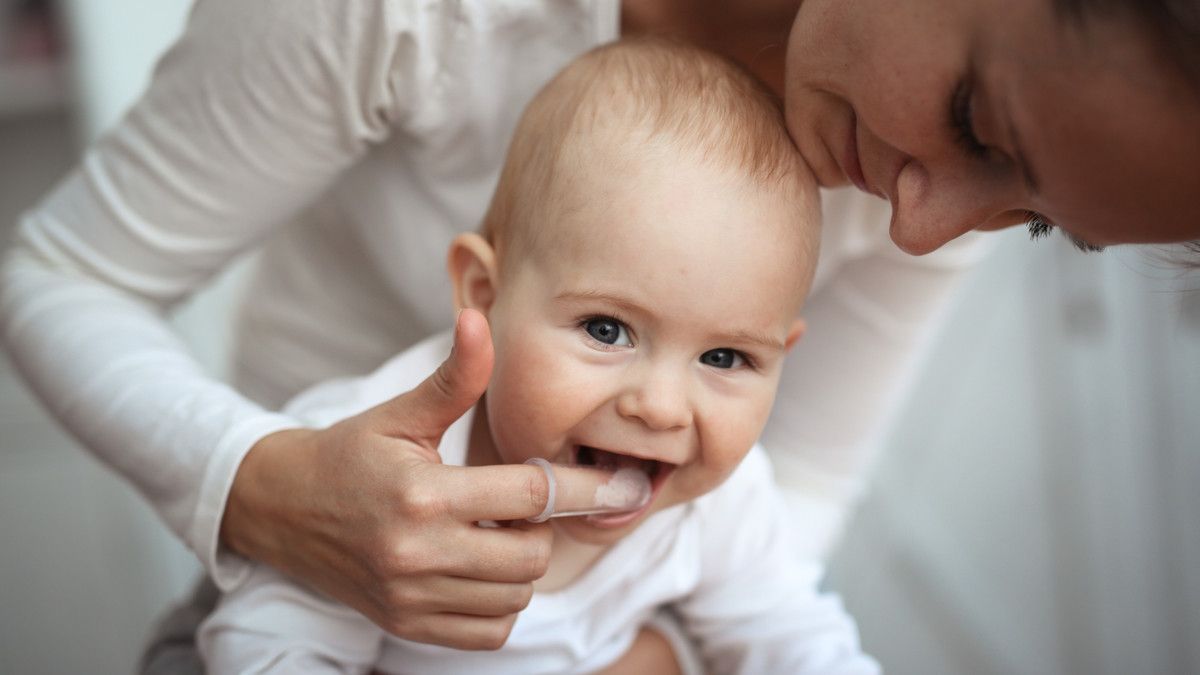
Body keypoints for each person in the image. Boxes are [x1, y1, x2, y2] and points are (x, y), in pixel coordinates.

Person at [0, 0, 1196, 668]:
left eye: (1034, 221)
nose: (928, 232)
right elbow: (60, 275)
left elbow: (790, 537)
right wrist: (266, 491)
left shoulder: (712, 497)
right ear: (478, 287)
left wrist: (654, 656)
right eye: (977, 118)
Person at [197, 39, 878, 674]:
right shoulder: (368, 463)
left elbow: (795, 635)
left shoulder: (722, 504)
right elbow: (266, 647)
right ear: (484, 294)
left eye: (726, 357)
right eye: (607, 330)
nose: (663, 407)